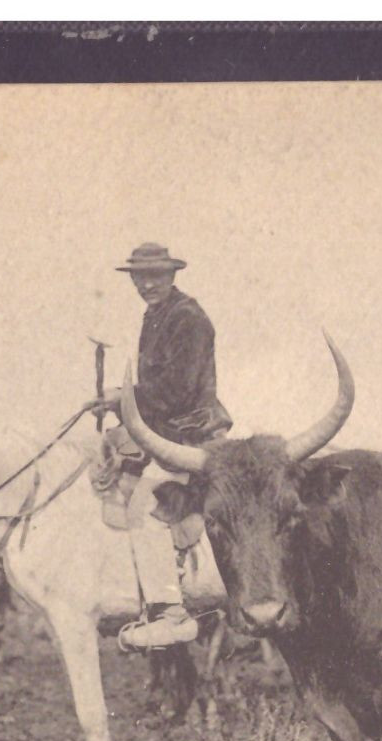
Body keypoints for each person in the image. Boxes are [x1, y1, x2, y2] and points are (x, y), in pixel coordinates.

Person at [103, 243, 231, 649]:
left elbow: (178, 391)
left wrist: (121, 399)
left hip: (193, 437)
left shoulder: (189, 319)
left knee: (147, 504)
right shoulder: (157, 316)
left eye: (155, 275)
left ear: (173, 275)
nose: (146, 284)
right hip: (168, 435)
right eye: (139, 277)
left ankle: (170, 612)